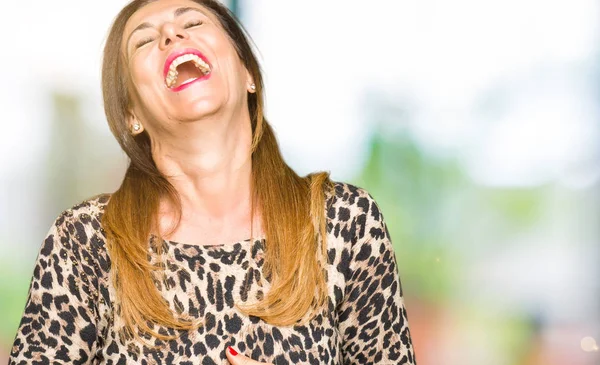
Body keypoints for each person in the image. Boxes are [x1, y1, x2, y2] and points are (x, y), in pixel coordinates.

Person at [8, 0, 416, 364]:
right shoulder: (84, 240)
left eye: (194, 22)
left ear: (247, 72)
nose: (171, 33)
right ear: (131, 113)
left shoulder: (345, 223)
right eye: (144, 41)